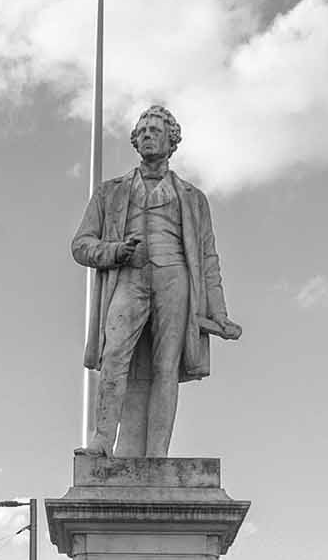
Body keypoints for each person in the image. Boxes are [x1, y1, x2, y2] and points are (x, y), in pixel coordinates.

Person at [71, 105, 242, 458]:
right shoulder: (110, 192)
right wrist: (117, 251)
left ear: (171, 140)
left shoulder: (193, 198)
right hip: (129, 277)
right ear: (135, 140)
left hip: (174, 277)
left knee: (167, 365)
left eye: (155, 130)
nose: (148, 135)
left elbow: (208, 259)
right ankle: (103, 441)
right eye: (143, 130)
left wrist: (219, 312)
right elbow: (81, 245)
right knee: (114, 355)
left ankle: (156, 455)